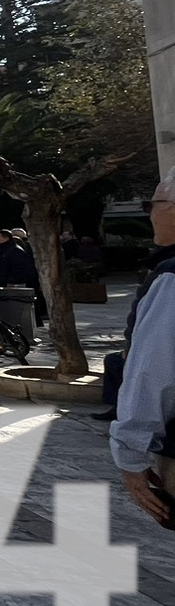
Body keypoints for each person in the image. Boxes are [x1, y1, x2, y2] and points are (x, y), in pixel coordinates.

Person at [111, 171, 175, 524]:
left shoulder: (170, 278)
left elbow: (154, 372)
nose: (149, 213)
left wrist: (131, 455)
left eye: (155, 203)